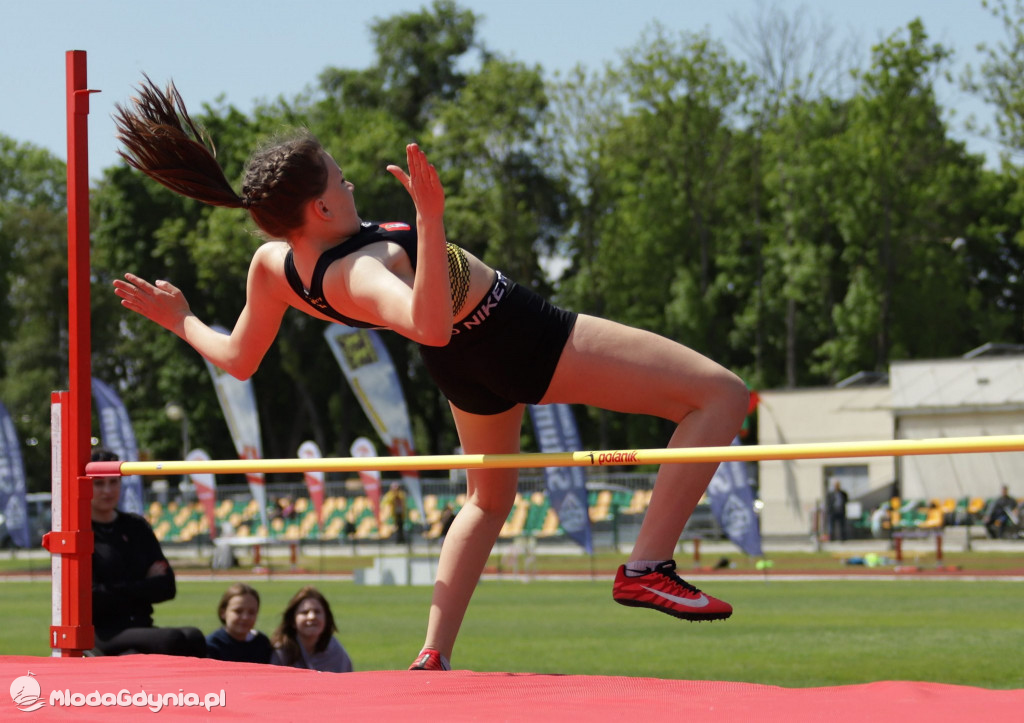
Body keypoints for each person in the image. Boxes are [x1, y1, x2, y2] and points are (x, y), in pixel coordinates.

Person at [111, 78, 749, 672]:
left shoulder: (275, 264)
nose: (351, 182)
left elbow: (239, 360)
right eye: (341, 176)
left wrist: (182, 321)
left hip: (463, 370)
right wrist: (430, 215)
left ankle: (433, 654)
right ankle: (647, 564)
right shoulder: (365, 267)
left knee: (489, 498)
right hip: (520, 335)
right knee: (720, 394)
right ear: (322, 203)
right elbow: (431, 324)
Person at [89, 448, 207, 657]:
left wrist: (119, 589)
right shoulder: (81, 532)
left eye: (114, 482)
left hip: (141, 624)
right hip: (104, 631)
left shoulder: (136, 526)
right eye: (98, 483)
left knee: (194, 636)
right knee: (171, 639)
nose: (107, 490)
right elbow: (95, 598)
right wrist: (144, 584)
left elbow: (167, 587)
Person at [270, 586, 353, 672]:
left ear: (326, 618)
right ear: (292, 620)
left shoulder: (335, 651)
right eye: (304, 612)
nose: (312, 617)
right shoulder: (281, 652)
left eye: (317, 612)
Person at [206, 583, 273, 664]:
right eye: (238, 611)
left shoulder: (262, 643)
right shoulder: (211, 645)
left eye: (251, 612)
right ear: (223, 613)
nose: (245, 617)